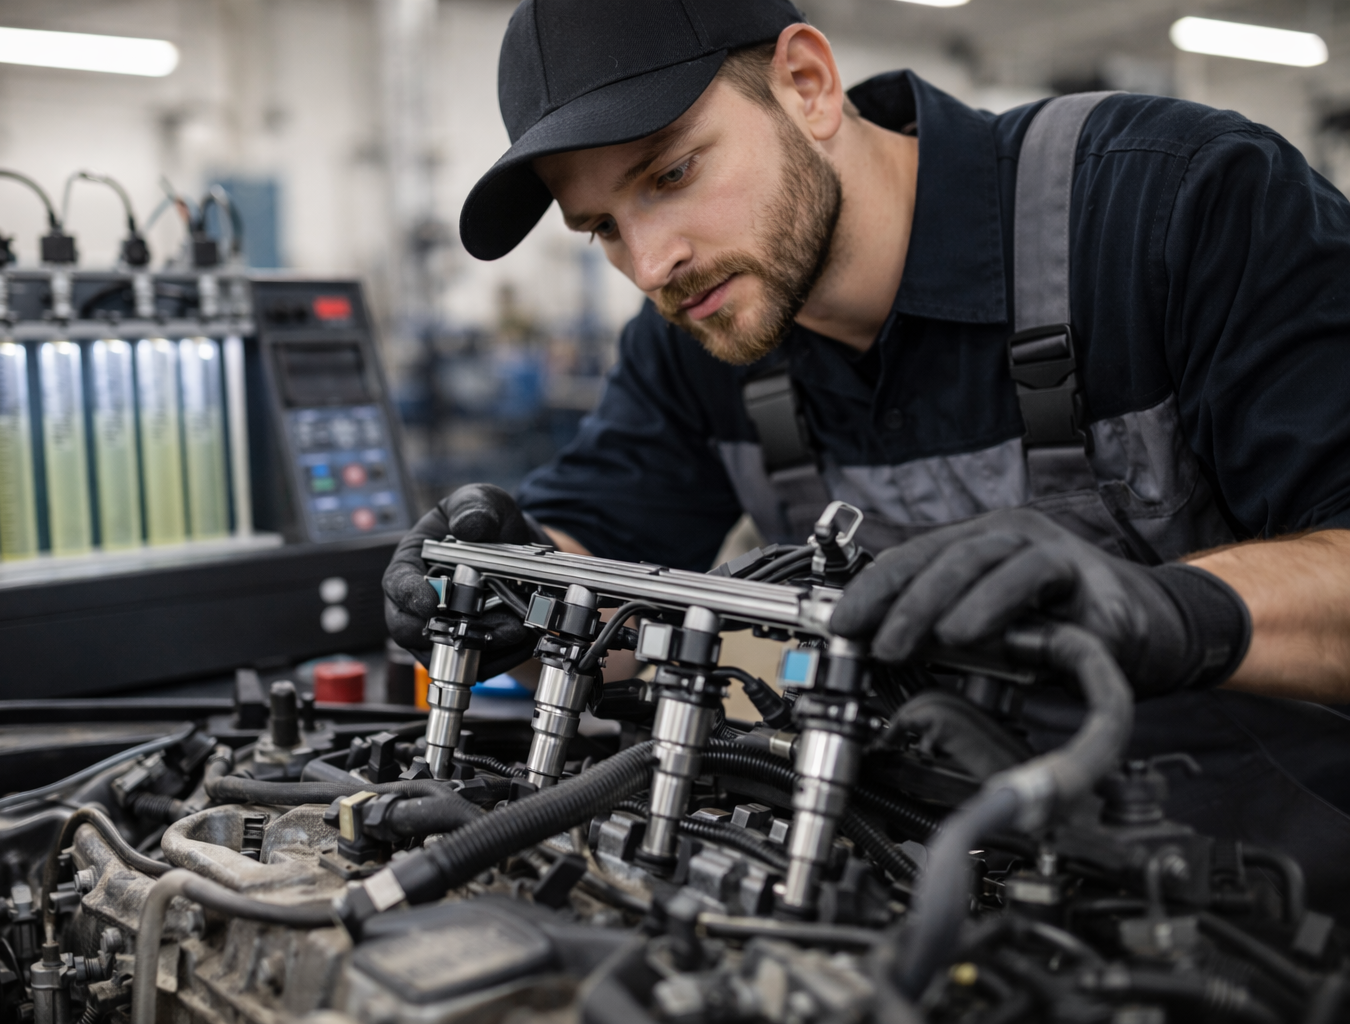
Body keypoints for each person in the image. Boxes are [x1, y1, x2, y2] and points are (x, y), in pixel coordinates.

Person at [384, 0, 1350, 905]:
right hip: (933, 888)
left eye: (670, 174)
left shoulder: (1175, 204)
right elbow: (596, 575)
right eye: (602, 226)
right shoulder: (703, 337)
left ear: (807, 84)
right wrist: (506, 584)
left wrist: (1163, 610)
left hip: (1273, 895)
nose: (650, 264)